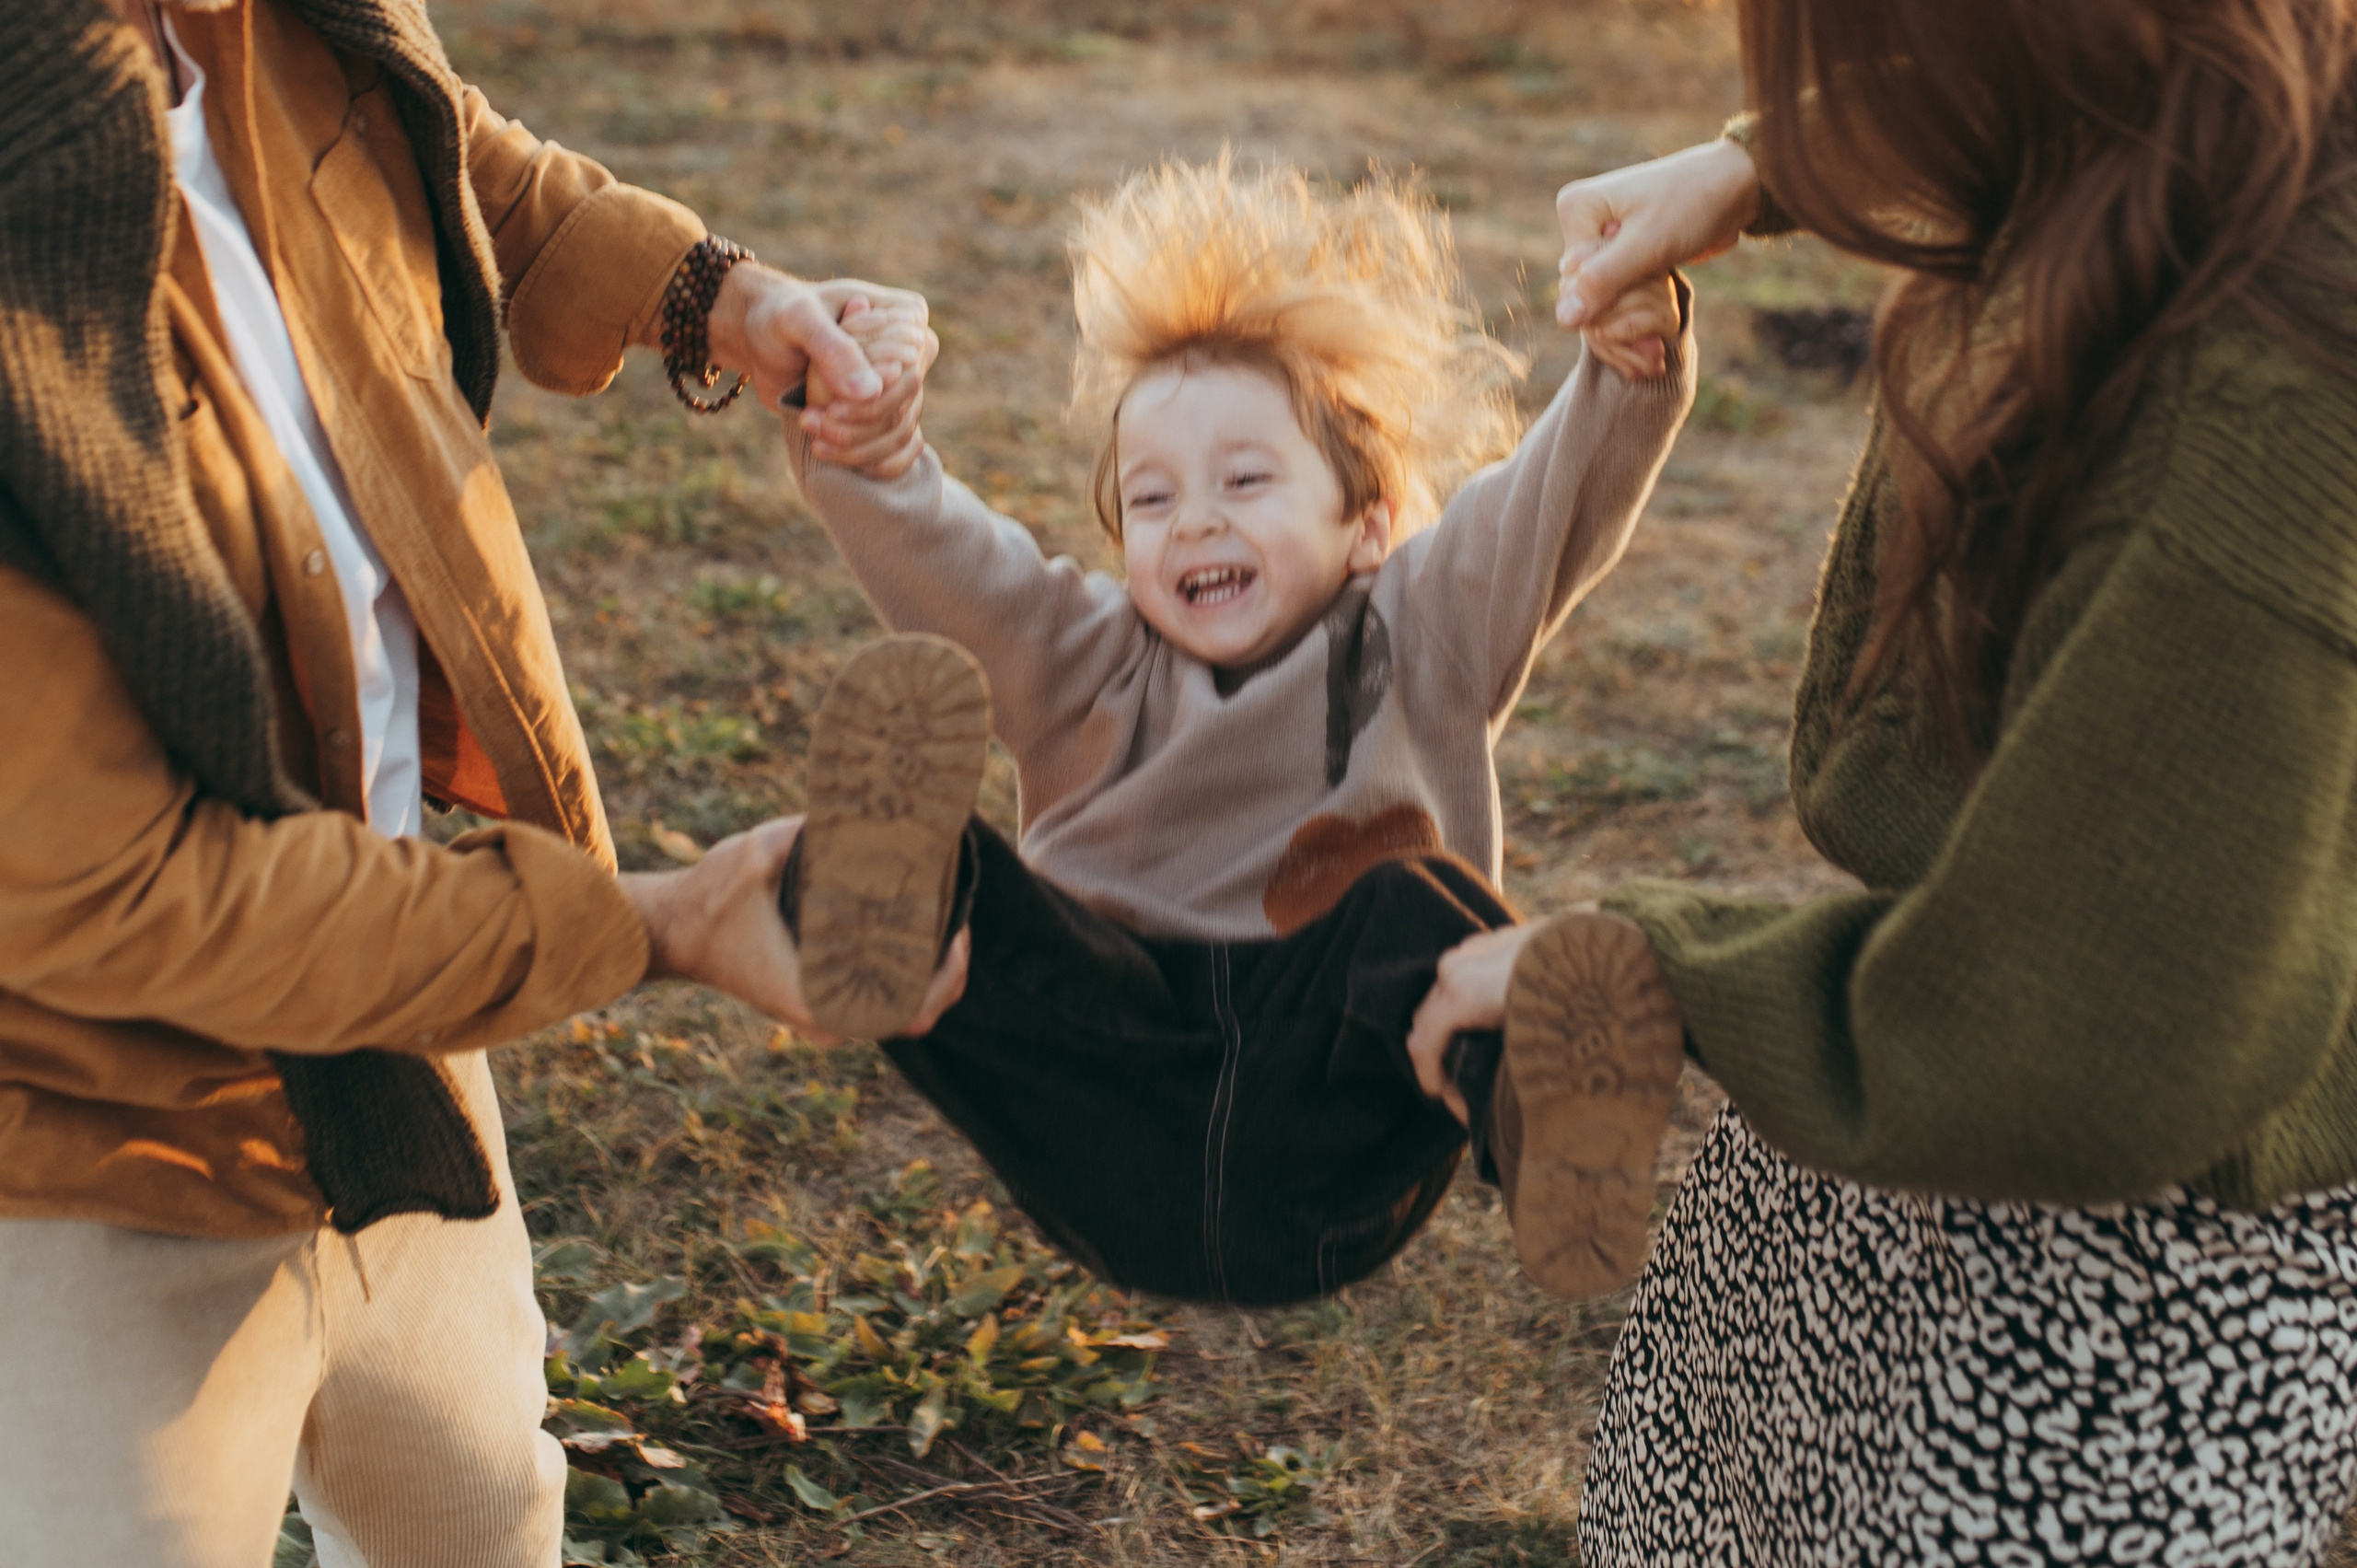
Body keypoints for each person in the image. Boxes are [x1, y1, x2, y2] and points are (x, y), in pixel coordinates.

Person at [0, 1, 951, 1562]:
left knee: (484, 1516)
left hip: (394, 1032)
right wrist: (657, 921)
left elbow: (433, 136)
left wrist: (713, 295)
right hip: (91, 1154)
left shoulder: (252, 18)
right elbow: (128, 887)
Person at [1406, 0, 2357, 1561]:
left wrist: (1657, 965)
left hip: (2146, 1269)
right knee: (1708, 1483)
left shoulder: (2239, 458)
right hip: (1936, 1050)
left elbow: (2090, 1034)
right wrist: (1763, 164)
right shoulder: (2237, 124)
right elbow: (2115, 79)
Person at [768, 157, 1694, 1306]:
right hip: (1107, 1094)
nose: (1193, 516)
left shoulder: (1424, 629)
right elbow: (959, 567)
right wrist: (868, 449)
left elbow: (1553, 501)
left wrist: (1625, 362)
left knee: (1416, 907)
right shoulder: (1085, 661)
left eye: (1244, 479)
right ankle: (877, 946)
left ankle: (1545, 1122)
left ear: (1367, 523)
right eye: (1151, 499)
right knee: (902, 847)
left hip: (1331, 1119)